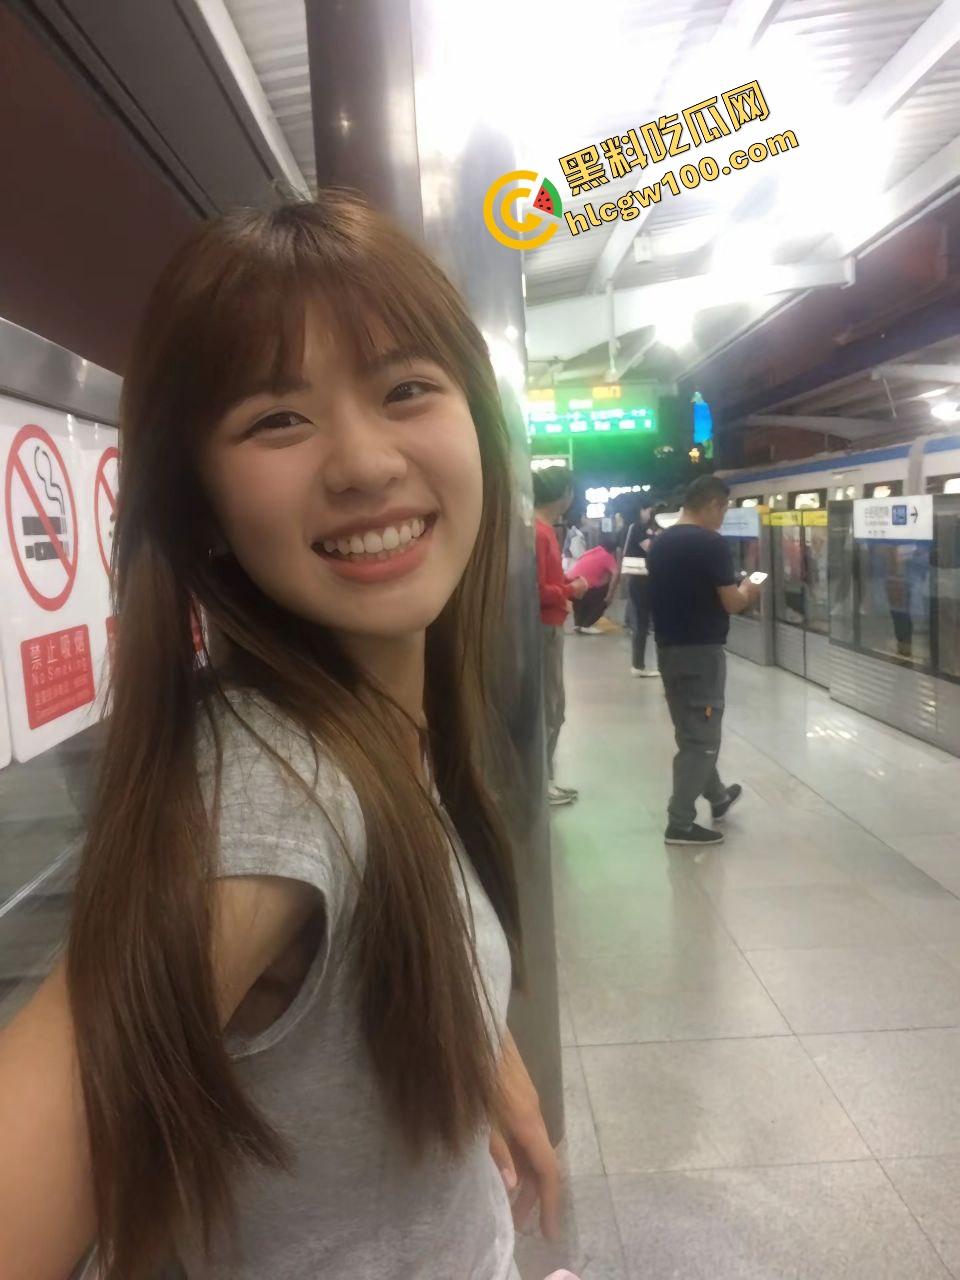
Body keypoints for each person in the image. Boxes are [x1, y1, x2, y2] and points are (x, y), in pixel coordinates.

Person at [0, 196, 561, 1280]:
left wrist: (484, 1051)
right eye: (277, 420)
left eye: (406, 389)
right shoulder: (279, 789)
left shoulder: (374, 720)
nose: (364, 462)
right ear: (201, 506)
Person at [648, 475, 761, 847]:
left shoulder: (661, 542)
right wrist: (750, 588)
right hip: (700, 653)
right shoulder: (710, 543)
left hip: (669, 650)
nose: (723, 517)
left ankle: (718, 796)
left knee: (690, 730)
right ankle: (680, 823)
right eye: (724, 509)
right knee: (702, 740)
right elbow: (732, 603)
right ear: (712, 504)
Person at [533, 466, 587, 807]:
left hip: (549, 626)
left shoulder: (543, 529)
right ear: (565, 493)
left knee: (554, 705)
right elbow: (536, 589)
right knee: (550, 707)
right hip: (545, 628)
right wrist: (570, 589)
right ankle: (541, 783)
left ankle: (545, 778)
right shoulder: (539, 533)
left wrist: (565, 584)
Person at [621, 504, 659, 677]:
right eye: (647, 510)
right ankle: (638, 665)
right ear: (640, 511)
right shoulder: (638, 527)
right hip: (641, 579)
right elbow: (650, 548)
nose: (649, 513)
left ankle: (638, 664)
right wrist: (658, 536)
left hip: (637, 579)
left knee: (640, 621)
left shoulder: (631, 527)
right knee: (642, 623)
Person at [570, 533, 619, 633]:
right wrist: (610, 596)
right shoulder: (607, 556)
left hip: (570, 585)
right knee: (604, 594)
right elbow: (616, 574)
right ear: (613, 550)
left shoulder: (590, 552)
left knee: (582, 598)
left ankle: (578, 624)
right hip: (583, 588)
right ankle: (586, 625)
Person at [561, 509, 586, 573]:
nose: (585, 519)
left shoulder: (573, 532)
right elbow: (578, 554)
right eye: (584, 517)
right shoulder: (574, 534)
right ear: (579, 519)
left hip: (570, 563)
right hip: (572, 564)